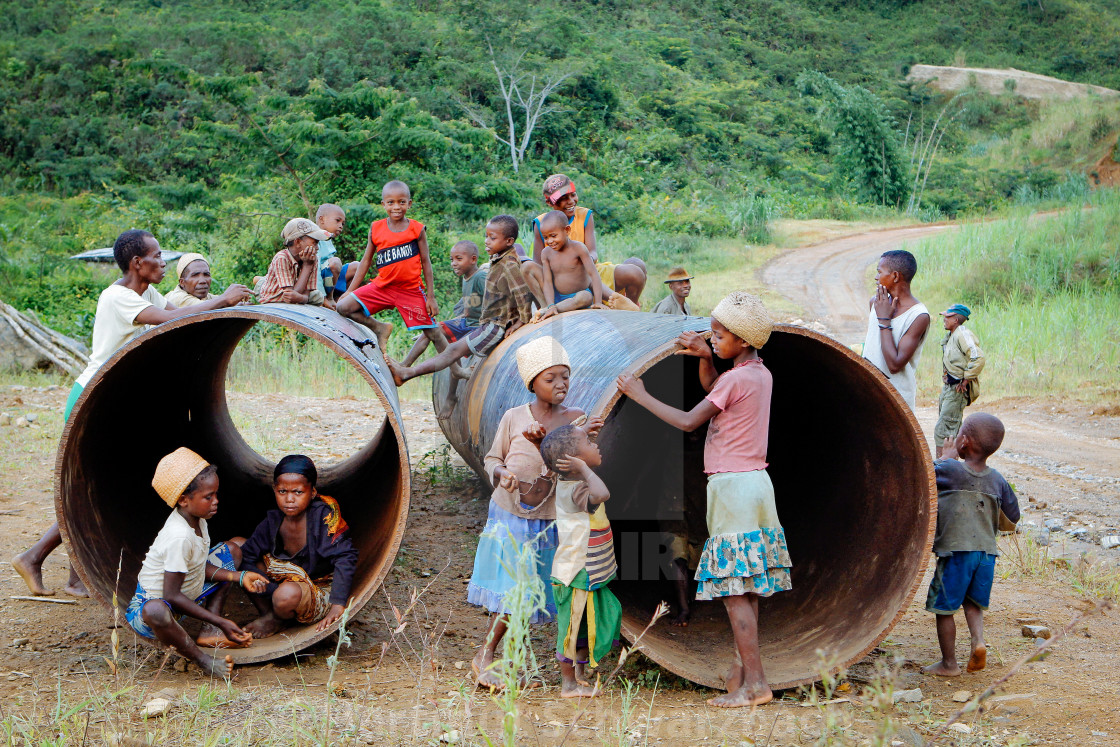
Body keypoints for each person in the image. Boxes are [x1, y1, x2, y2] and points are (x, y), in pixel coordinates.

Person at [11, 230, 250, 598]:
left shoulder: (147, 292)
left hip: (114, 401)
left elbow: (179, 316)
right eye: (157, 255)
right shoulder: (118, 297)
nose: (163, 263)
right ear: (138, 263)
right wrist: (222, 298)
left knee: (98, 486)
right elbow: (169, 318)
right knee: (92, 488)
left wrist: (224, 305)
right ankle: (33, 556)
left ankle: (73, 575)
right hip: (91, 401)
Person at [616, 292, 792, 708]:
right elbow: (718, 389)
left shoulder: (736, 379)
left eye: (719, 335)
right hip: (755, 485)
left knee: (734, 590)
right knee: (747, 585)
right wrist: (704, 358)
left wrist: (639, 393)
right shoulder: (757, 374)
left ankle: (756, 685)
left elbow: (688, 419)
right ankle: (742, 671)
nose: (712, 339)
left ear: (744, 340)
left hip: (732, 488)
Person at [468, 336, 603, 689]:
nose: (560, 384)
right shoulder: (514, 418)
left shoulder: (577, 420)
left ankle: (544, 664)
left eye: (565, 376)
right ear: (532, 384)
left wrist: (563, 439)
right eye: (550, 378)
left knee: (543, 590)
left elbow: (580, 467)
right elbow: (492, 459)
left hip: (550, 519)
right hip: (511, 514)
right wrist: (503, 475)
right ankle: (486, 654)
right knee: (514, 592)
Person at [126, 447, 269, 679]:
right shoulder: (179, 537)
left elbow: (198, 565)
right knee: (155, 610)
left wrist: (240, 576)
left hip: (188, 591)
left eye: (216, 494)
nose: (216, 501)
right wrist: (222, 620)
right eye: (208, 496)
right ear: (183, 499)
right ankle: (203, 660)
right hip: (157, 604)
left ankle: (210, 633)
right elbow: (171, 595)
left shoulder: (197, 520)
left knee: (232, 550)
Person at [386, 215, 534, 390]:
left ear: (509, 241)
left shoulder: (508, 263)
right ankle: (408, 369)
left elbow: (522, 293)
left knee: (453, 351)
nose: (487, 241)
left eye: (492, 238)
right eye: (486, 236)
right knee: (451, 349)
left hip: (495, 326)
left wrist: (521, 321)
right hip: (487, 323)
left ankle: (406, 374)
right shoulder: (499, 259)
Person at [923, 413, 1019, 677]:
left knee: (944, 609)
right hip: (987, 554)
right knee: (973, 603)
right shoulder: (997, 479)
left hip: (956, 553)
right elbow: (1014, 515)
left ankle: (949, 664)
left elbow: (924, 475)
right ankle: (978, 642)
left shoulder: (950, 469)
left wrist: (946, 456)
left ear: (964, 441)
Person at [239, 455, 358, 638]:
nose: (289, 499)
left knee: (285, 594)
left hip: (318, 588)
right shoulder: (274, 520)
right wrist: (263, 584)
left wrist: (338, 604)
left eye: (298, 492)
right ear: (274, 490)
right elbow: (246, 554)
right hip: (284, 582)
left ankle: (279, 617)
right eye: (282, 492)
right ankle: (270, 614)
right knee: (235, 548)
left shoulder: (323, 518)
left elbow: (345, 557)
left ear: (312, 492)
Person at [541, 424, 620, 698]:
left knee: (586, 624)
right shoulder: (576, 489)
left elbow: (566, 445)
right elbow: (602, 495)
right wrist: (586, 468)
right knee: (572, 628)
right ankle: (568, 685)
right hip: (575, 572)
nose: (595, 444)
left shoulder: (571, 480)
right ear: (573, 463)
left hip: (587, 572)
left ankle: (579, 675)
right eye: (588, 441)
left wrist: (581, 441)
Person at [335, 181, 450, 356]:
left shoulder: (417, 230)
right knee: (342, 306)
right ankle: (379, 328)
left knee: (433, 333)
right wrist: (350, 290)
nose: (396, 207)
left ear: (409, 204)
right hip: (382, 287)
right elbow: (365, 261)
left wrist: (431, 297)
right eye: (391, 202)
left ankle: (458, 369)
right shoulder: (376, 228)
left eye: (401, 202)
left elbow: (426, 262)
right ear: (383, 205)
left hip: (410, 290)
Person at [530, 174, 648, 304]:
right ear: (549, 202)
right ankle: (617, 301)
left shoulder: (585, 215)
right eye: (563, 198)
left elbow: (593, 252)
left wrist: (585, 261)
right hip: (563, 280)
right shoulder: (541, 223)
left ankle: (630, 307)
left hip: (590, 270)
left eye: (573, 195)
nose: (571, 201)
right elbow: (538, 265)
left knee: (636, 269)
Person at [861, 249, 930, 409]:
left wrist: (884, 320)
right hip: (868, 392)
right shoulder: (875, 303)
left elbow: (894, 365)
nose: (876, 277)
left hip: (896, 401)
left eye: (879, 272)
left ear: (896, 276)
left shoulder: (918, 316)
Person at [401, 240, 487, 366]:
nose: (454, 264)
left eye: (459, 259)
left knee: (452, 352)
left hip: (478, 327)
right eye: (452, 260)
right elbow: (469, 312)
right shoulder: (465, 278)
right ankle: (405, 364)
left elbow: (495, 299)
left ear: (473, 259)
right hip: (467, 323)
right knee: (432, 328)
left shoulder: (480, 277)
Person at [934, 304, 986, 458]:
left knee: (946, 431)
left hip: (957, 389)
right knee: (947, 429)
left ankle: (944, 469)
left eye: (947, 317)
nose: (944, 319)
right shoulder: (952, 335)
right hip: (949, 387)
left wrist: (966, 379)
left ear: (956, 319)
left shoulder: (962, 334)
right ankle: (946, 467)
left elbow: (978, 358)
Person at [535, 210, 607, 320]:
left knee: (586, 296)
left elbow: (594, 275)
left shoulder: (579, 248)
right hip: (558, 298)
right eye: (545, 237)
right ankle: (551, 308)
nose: (550, 241)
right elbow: (548, 282)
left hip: (578, 297)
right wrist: (550, 304)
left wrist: (598, 302)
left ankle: (554, 309)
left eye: (553, 236)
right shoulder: (546, 253)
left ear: (567, 230)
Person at [256, 218, 332, 306]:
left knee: (318, 296)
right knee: (313, 298)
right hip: (275, 297)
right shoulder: (282, 258)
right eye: (314, 243)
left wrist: (302, 298)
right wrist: (307, 266)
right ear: (298, 242)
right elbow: (291, 297)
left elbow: (305, 293)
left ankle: (263, 279)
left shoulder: (312, 259)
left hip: (296, 290)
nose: (317, 248)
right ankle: (261, 282)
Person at [313, 203, 346, 309]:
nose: (341, 225)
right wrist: (321, 296)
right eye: (338, 220)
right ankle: (330, 298)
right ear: (322, 220)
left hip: (328, 277)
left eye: (343, 223)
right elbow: (314, 268)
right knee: (335, 262)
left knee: (356, 266)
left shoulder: (328, 239)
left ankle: (343, 299)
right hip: (317, 281)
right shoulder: (315, 238)